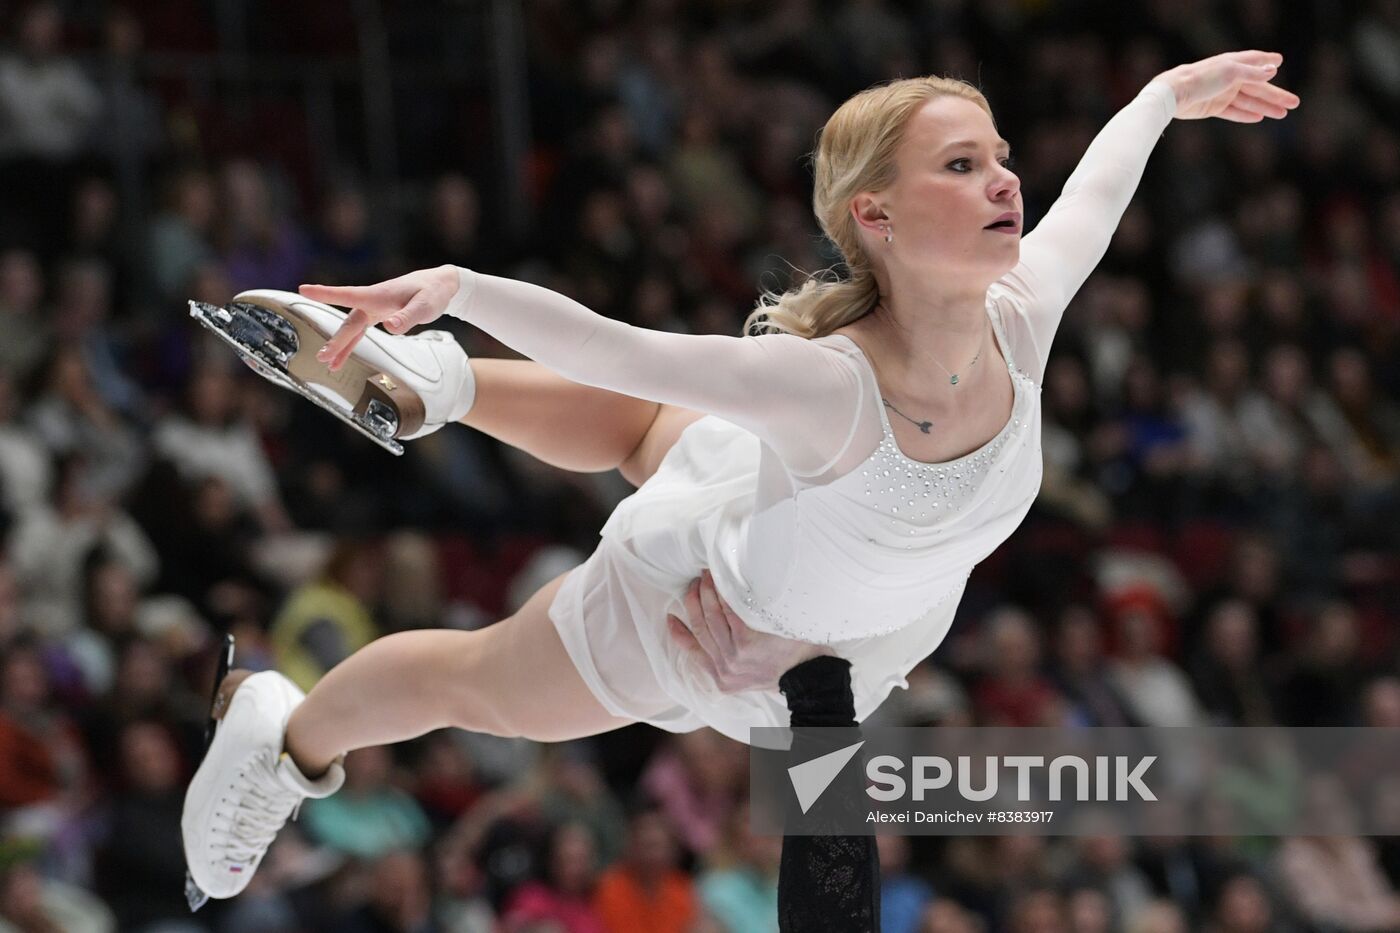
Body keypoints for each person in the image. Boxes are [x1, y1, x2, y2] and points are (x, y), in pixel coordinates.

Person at [182, 51, 1298, 903]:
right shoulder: (828, 387)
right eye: (961, 167)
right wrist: (459, 284)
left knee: (656, 436)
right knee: (474, 684)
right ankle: (282, 734)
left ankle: (447, 388)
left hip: (811, 584)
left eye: (1001, 157)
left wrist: (1163, 95)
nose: (1005, 181)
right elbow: (623, 347)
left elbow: (1093, 197)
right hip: (705, 608)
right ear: (876, 216)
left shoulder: (1022, 317)